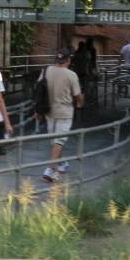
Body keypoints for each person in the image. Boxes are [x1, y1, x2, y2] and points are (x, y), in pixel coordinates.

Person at [39, 48, 83, 183]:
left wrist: (37, 110)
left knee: (56, 140)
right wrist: (81, 101)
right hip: (64, 111)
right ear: (68, 60)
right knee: (59, 141)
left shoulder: (46, 71)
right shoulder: (71, 75)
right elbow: (77, 95)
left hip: (49, 111)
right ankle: (50, 169)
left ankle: (61, 164)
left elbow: (39, 90)